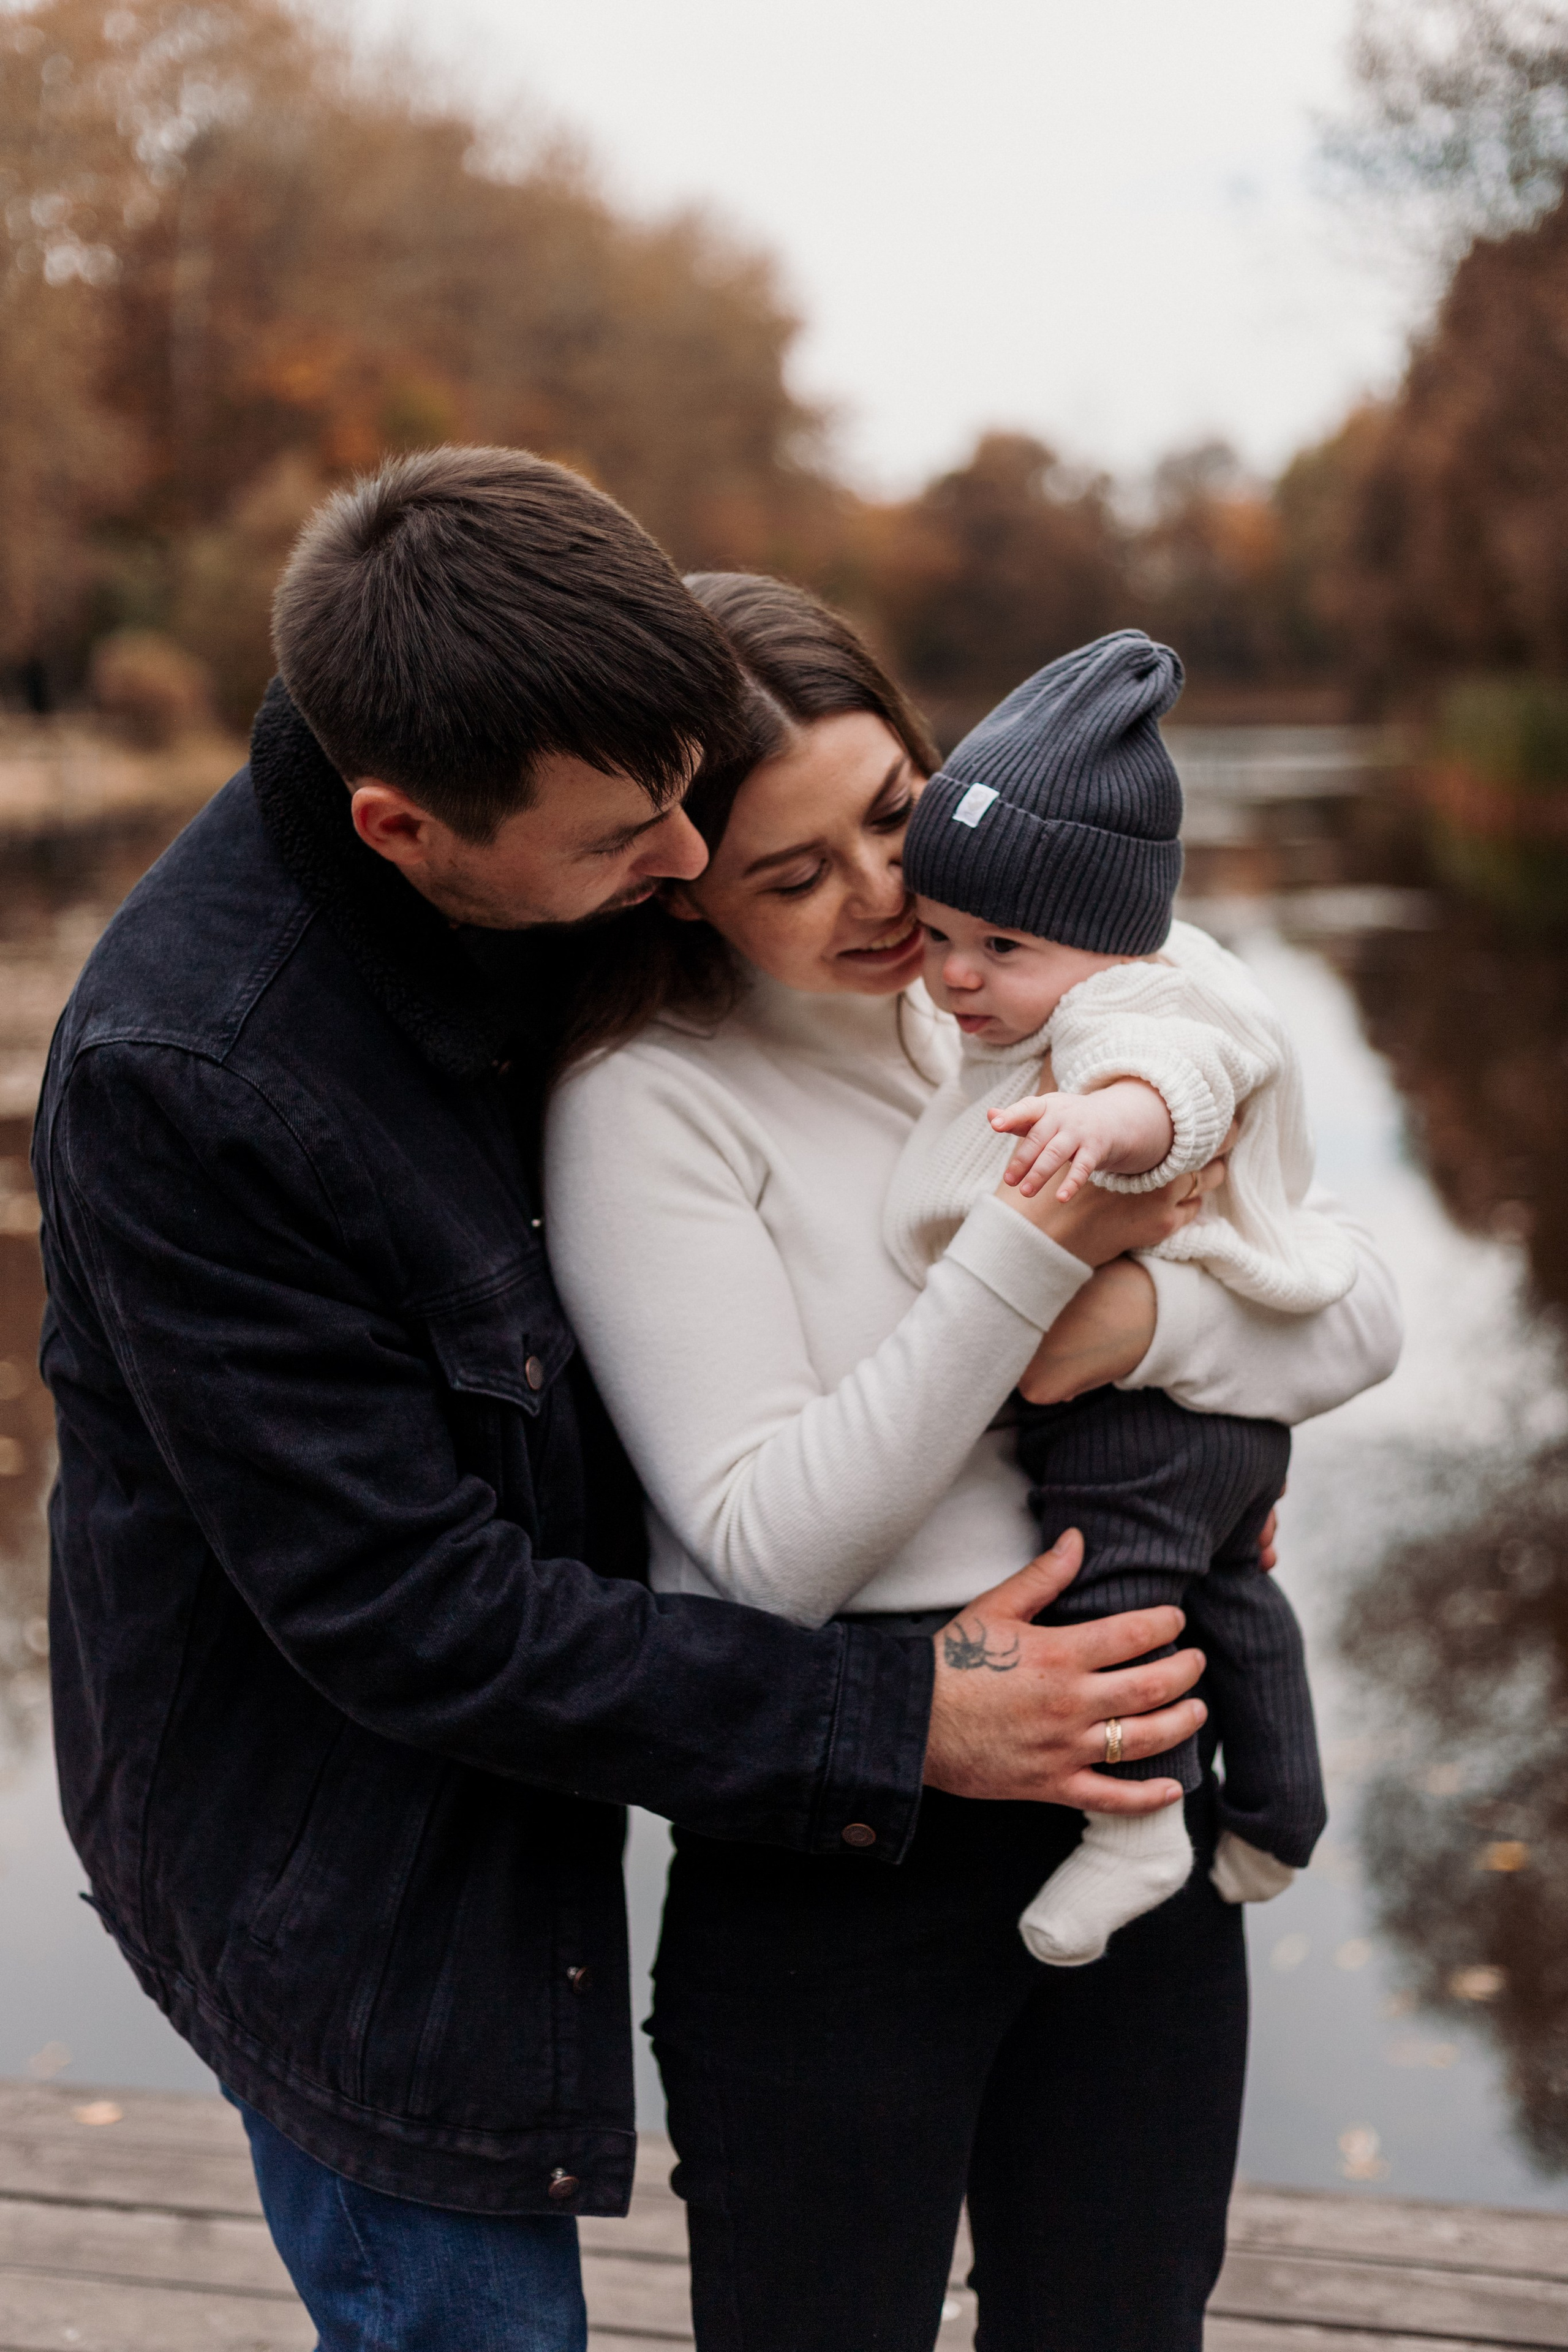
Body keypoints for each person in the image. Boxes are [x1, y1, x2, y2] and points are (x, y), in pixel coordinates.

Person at [30, 450, 1216, 2352]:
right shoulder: (198, 1080)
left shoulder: (542, 750)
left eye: (690, 800)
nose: (679, 868)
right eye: (634, 845)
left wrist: (1174, 1372)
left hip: (625, 1708)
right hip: (338, 1843)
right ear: (405, 829)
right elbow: (404, 1615)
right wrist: (891, 1710)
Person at [545, 572, 1402, 2352]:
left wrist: (1132, 1336)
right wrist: (1046, 1248)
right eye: (793, 874)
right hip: (848, 1846)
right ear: (677, 877)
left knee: (1123, 2319)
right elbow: (767, 1548)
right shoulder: (651, 1102)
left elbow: (1355, 1313)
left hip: (1131, 1777)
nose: (882, 902)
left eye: (893, 817)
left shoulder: (1068, 996)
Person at [889, 628, 1339, 1972]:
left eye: (1000, 945)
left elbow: (1170, 1075)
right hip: (1222, 1413)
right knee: (1226, 1598)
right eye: (934, 938)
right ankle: (1274, 1806)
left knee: (1119, 1608)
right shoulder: (1062, 995)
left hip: (1130, 1419)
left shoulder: (1124, 1012)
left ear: (1099, 936)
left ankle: (1141, 1822)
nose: (957, 975)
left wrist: (1108, 1122)